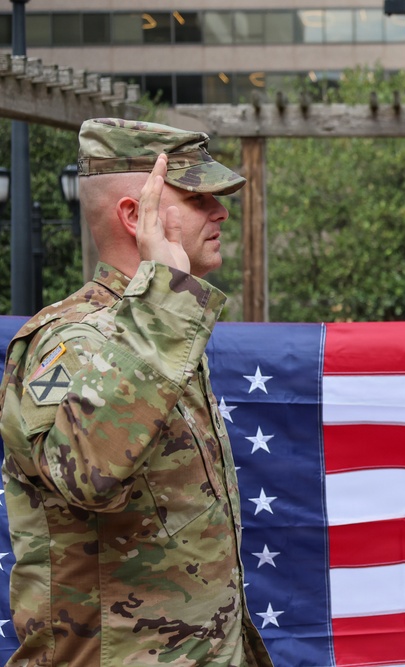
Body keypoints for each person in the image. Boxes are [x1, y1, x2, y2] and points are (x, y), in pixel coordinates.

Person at [0, 118, 273, 666]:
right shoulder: (74, 339)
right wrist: (163, 306)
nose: (220, 212)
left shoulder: (156, 327)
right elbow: (85, 473)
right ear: (134, 215)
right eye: (196, 198)